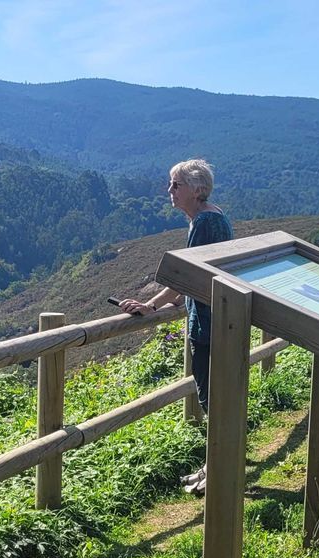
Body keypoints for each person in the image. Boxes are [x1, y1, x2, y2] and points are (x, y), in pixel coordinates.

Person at [114, 159, 232, 495]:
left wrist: (151, 305)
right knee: (217, 400)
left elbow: (187, 276)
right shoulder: (213, 217)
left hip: (208, 326)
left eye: (176, 184)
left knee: (212, 401)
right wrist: (180, 299)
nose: (169, 190)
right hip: (218, 320)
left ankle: (218, 474)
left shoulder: (204, 222)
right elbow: (203, 274)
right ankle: (213, 467)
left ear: (197, 189)